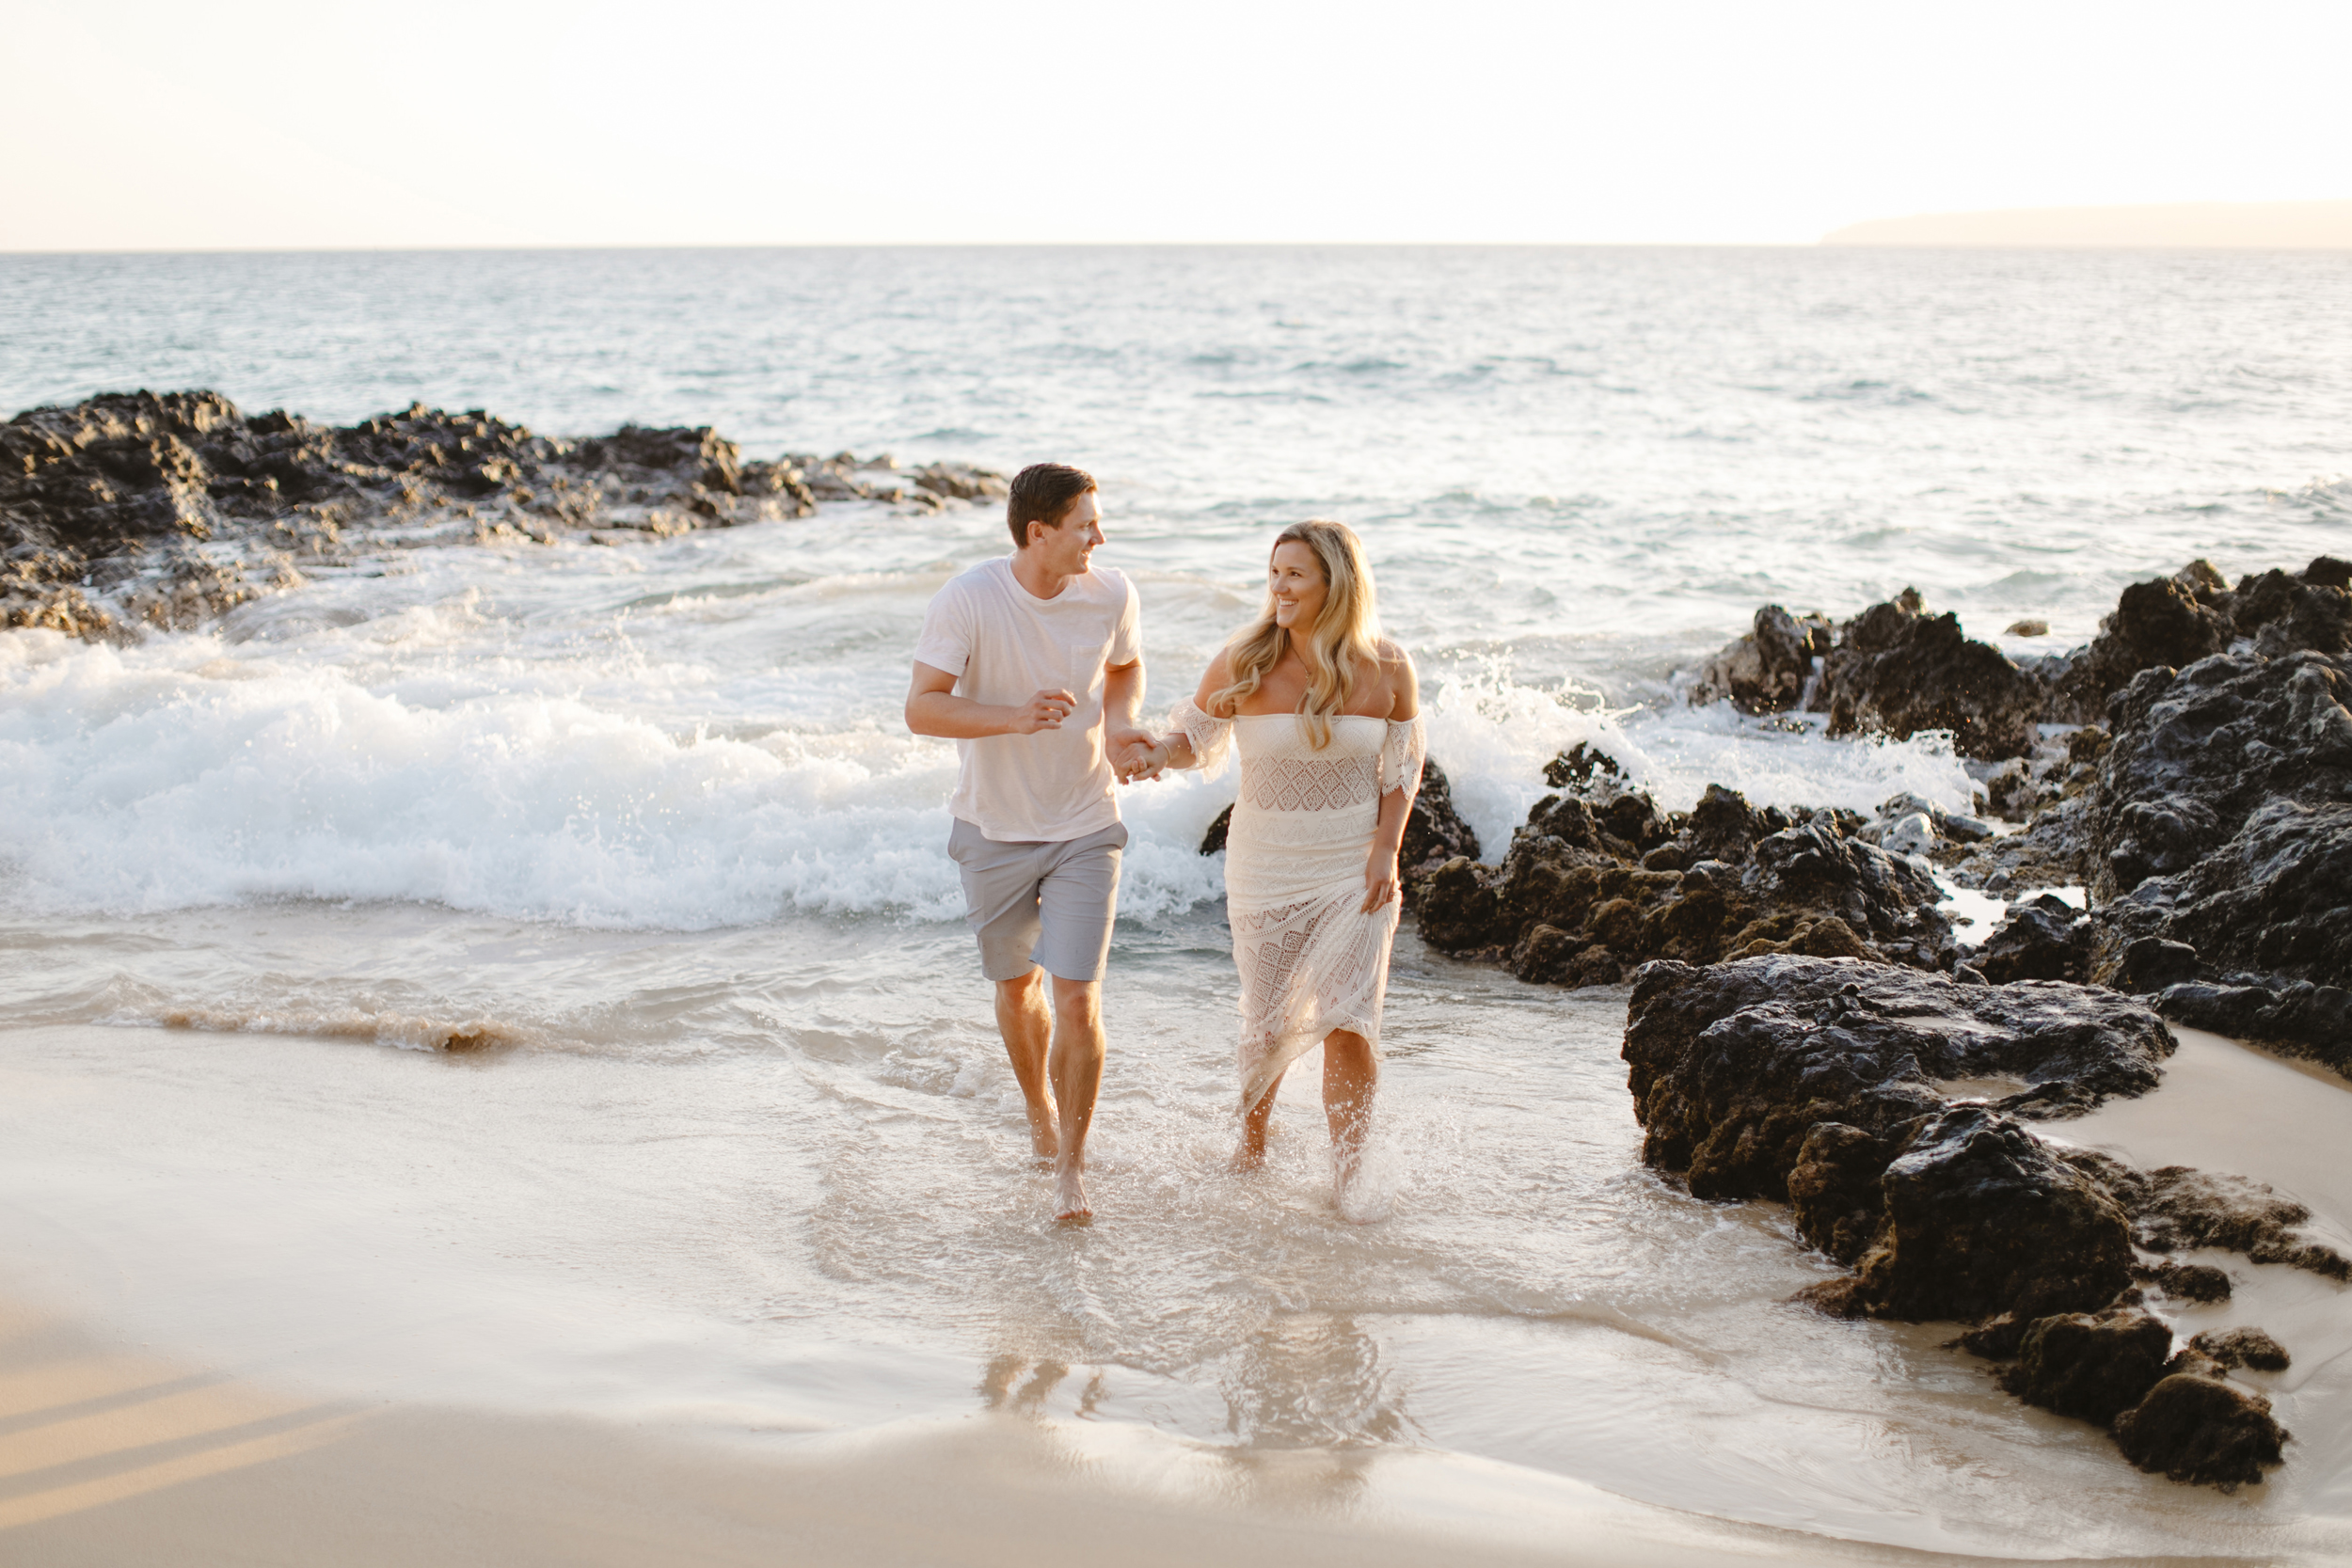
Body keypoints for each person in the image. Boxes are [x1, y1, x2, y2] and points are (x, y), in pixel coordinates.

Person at [1124, 520, 1422, 1215]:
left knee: (1349, 1019)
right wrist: (1152, 755)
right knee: (1267, 1021)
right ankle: (1250, 1151)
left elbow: (1402, 767)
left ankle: (1349, 1179)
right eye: (1275, 573)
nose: (1280, 587)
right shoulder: (1245, 658)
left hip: (1355, 869)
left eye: (1296, 574)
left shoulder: (1387, 667)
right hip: (1266, 867)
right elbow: (1193, 739)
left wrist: (1387, 848)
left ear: (1336, 584)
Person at [904, 463, 1151, 1222]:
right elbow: (922, 708)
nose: (1099, 539)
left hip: (1085, 821)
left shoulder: (1111, 592)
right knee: (1018, 989)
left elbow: (1125, 666)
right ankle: (1039, 1109)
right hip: (994, 828)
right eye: (1085, 525)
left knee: (1078, 1000)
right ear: (1038, 532)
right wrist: (1013, 716)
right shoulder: (970, 599)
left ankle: (1071, 1167)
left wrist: (1118, 727)